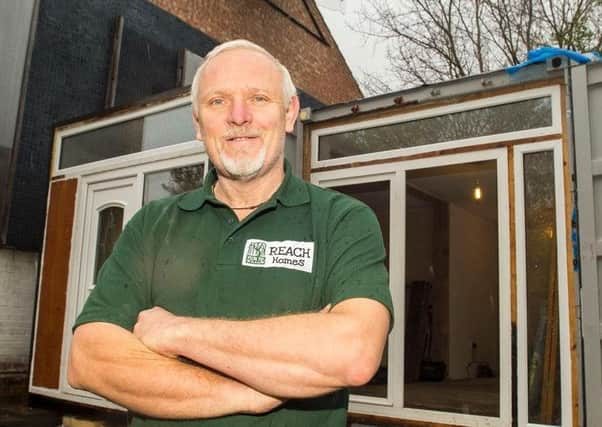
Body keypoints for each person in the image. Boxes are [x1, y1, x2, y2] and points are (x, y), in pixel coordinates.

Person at [68, 39, 393, 427]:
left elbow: (353, 353)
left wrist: (176, 332)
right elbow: (89, 360)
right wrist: (251, 393)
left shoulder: (342, 220)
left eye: (258, 98)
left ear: (289, 114)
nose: (239, 117)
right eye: (218, 101)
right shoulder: (151, 225)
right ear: (197, 124)